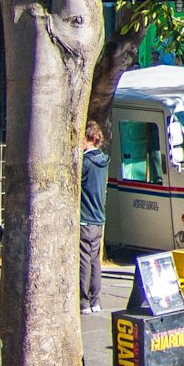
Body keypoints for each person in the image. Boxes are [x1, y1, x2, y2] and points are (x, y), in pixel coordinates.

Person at [80, 120, 108, 314]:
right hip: (98, 217)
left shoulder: (86, 162)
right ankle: (95, 300)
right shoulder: (103, 160)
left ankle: (83, 301)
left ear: (86, 138)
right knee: (94, 260)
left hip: (85, 217)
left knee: (84, 259)